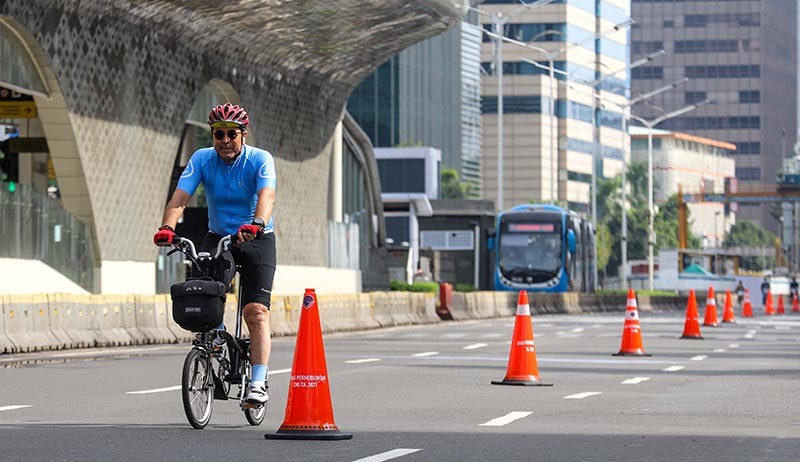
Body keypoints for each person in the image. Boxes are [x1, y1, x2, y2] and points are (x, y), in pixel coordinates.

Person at [154, 103, 276, 406]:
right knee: (205, 298)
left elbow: (266, 194)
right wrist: (167, 229)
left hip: (256, 238)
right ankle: (217, 337)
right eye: (218, 134)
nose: (224, 140)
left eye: (231, 134)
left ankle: (258, 382)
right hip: (218, 236)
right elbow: (180, 198)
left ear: (243, 135)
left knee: (256, 312)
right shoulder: (202, 159)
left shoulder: (260, 159)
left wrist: (257, 223)